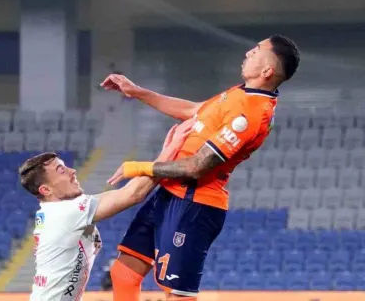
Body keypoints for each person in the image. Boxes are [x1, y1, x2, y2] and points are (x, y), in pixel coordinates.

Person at [100, 35, 300, 300]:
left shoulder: (252, 113)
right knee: (124, 272)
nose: (248, 52)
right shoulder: (240, 93)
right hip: (170, 193)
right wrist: (139, 92)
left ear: (267, 70)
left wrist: (139, 168)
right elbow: (196, 111)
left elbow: (196, 167)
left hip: (194, 204)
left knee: (178, 295)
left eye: (257, 50)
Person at [20, 118, 194, 301]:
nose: (72, 171)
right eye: (61, 170)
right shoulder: (65, 213)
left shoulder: (56, 212)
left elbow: (126, 193)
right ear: (46, 190)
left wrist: (163, 157)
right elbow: (133, 194)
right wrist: (169, 152)